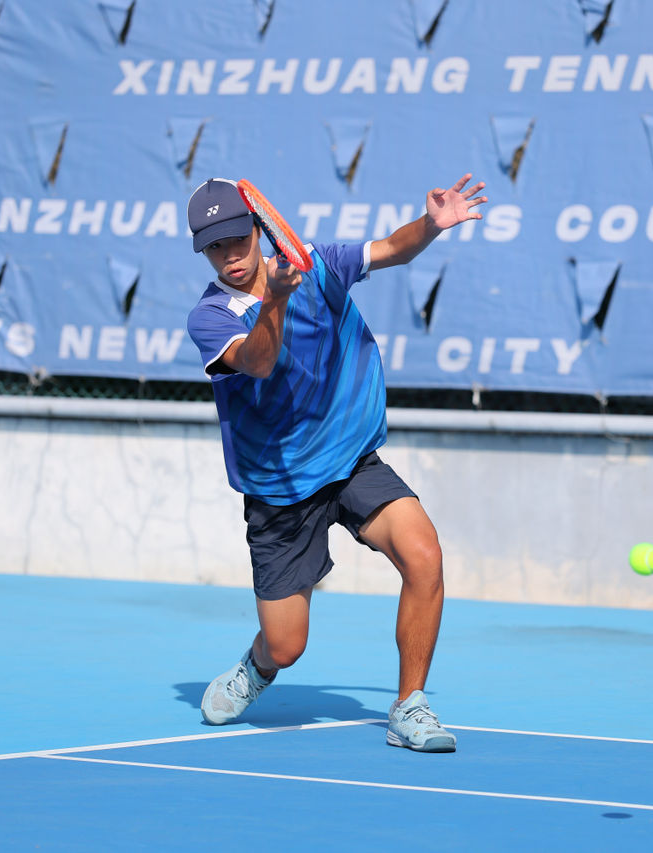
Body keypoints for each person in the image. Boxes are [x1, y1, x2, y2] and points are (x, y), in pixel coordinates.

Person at [184, 174, 487, 752]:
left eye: (238, 240)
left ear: (257, 231)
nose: (230, 256)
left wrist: (430, 226)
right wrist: (275, 299)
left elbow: (391, 249)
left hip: (350, 459)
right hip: (280, 488)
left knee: (424, 555)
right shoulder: (211, 317)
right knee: (287, 646)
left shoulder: (316, 265)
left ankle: (410, 706)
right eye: (215, 247)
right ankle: (258, 665)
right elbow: (259, 362)